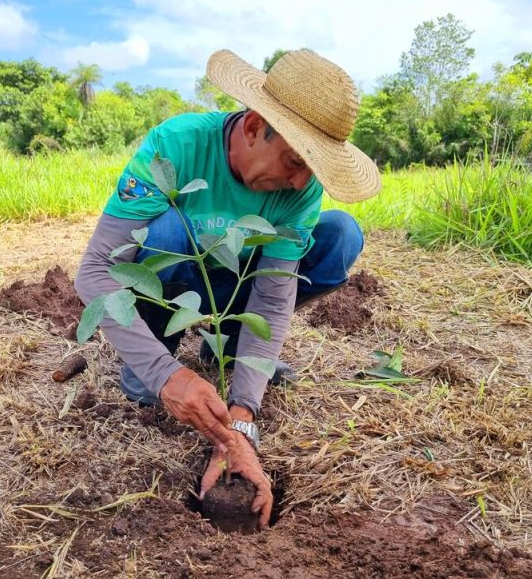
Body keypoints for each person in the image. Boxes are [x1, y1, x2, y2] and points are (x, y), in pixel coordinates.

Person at [75, 48, 381, 529]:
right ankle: (166, 345)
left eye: (312, 170)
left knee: (340, 234)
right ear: (256, 126)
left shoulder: (301, 189)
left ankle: (236, 346)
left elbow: (274, 297)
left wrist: (241, 422)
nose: (300, 181)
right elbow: (94, 271)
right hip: (173, 282)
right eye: (295, 160)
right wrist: (166, 375)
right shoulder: (177, 146)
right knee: (167, 236)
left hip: (240, 284)